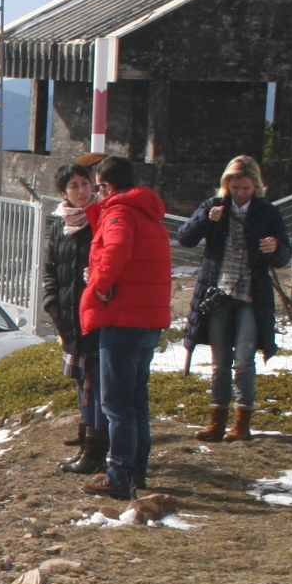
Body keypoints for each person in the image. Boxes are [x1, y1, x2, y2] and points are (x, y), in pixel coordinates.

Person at [177, 155, 292, 443]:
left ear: (256, 186)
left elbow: (284, 256)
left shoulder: (268, 213)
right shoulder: (214, 206)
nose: (240, 193)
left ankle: (242, 422)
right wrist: (206, 219)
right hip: (218, 294)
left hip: (252, 296)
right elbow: (185, 238)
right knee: (219, 361)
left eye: (246, 188)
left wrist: (274, 247)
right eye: (235, 187)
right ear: (226, 185)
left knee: (244, 360)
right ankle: (217, 419)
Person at [76, 156, 172, 502]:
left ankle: (120, 474)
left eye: (98, 186)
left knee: (116, 403)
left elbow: (115, 252)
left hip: (123, 317)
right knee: (135, 400)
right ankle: (135, 469)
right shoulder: (149, 215)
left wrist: (99, 286)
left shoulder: (119, 213)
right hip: (148, 317)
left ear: (108, 185)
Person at [41, 160, 102, 475]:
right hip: (68, 314)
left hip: (94, 314)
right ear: (63, 192)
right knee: (81, 379)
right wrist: (52, 304)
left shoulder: (100, 218)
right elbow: (52, 268)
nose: (82, 190)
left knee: (94, 380)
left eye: (85, 183)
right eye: (74, 186)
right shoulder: (60, 223)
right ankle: (86, 433)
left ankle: (95, 448)